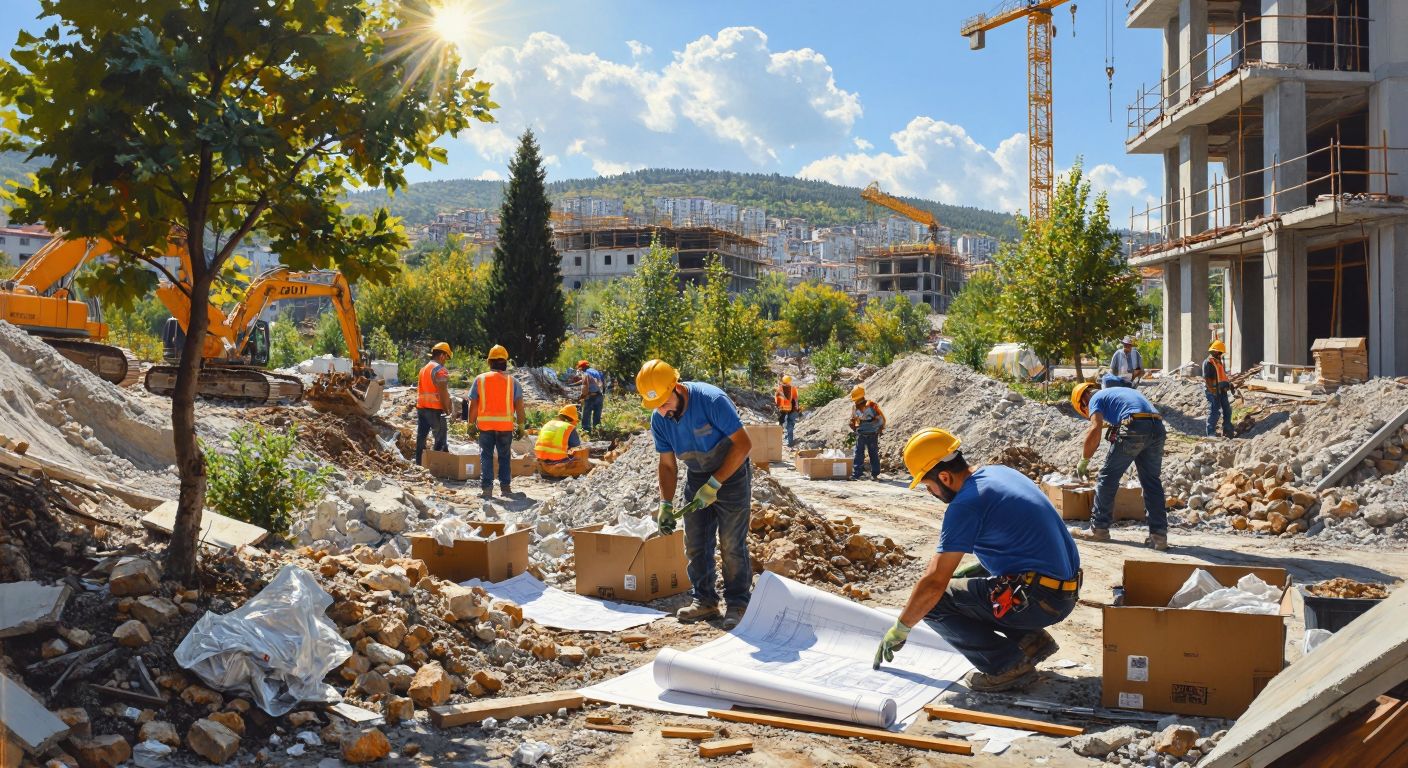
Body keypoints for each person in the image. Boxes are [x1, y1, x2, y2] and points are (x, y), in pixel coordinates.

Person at [873, 428, 1081, 692]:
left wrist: (901, 627)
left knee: (936, 602)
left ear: (945, 477)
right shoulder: (1000, 473)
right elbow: (1022, 540)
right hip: (1063, 591)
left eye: (929, 486)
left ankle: (1005, 666)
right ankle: (1031, 641)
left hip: (1040, 600)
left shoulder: (966, 504)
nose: (931, 493)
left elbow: (934, 582)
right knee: (970, 583)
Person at [638, 359, 754, 630]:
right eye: (656, 405)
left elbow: (744, 444)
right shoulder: (660, 420)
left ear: (677, 388)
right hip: (697, 474)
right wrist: (665, 503)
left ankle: (738, 601)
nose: (662, 410)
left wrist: (715, 483)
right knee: (696, 543)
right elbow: (668, 465)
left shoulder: (711, 400)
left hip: (732, 472)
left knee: (731, 543)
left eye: (665, 402)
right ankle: (705, 600)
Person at [1069, 382, 1169, 550]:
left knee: (1107, 478)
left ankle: (1099, 529)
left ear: (1083, 400)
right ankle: (1159, 537)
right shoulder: (1117, 393)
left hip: (1135, 426)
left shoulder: (1095, 399)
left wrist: (1084, 460)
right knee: (1151, 481)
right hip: (1157, 427)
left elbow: (1095, 428)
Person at [467, 344, 527, 499]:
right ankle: (505, 488)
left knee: (486, 456)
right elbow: (519, 406)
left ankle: (487, 489)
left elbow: (473, 405)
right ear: (505, 363)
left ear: (489, 362)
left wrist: (471, 424)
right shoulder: (513, 382)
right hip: (505, 427)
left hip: (486, 426)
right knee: (504, 457)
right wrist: (521, 426)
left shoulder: (480, 380)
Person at [414, 342, 453, 466]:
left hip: (422, 408)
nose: (446, 360)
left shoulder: (423, 369)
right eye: (446, 357)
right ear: (442, 355)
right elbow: (443, 392)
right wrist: (447, 408)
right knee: (440, 440)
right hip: (435, 410)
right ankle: (438, 466)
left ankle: (419, 464)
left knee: (421, 438)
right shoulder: (440, 370)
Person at [849, 386, 886, 481]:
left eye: (856, 399)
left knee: (872, 454)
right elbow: (853, 420)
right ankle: (857, 474)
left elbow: (880, 419)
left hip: (872, 434)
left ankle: (874, 474)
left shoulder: (871, 405)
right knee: (858, 454)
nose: (855, 401)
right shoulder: (855, 407)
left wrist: (878, 428)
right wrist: (853, 426)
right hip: (861, 434)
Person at [534, 403, 585, 471]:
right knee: (580, 457)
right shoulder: (568, 427)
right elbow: (576, 447)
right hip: (557, 461)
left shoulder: (548, 424)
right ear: (571, 419)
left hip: (540, 459)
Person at [1203, 340, 1235, 438]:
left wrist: (1229, 385)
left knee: (1227, 410)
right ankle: (1211, 433)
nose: (1221, 354)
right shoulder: (1208, 362)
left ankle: (1227, 430)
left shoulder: (1218, 362)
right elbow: (1207, 379)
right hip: (1213, 391)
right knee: (1214, 412)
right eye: (1220, 352)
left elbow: (1222, 376)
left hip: (1221, 391)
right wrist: (1212, 391)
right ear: (1216, 351)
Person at [577, 360, 605, 433]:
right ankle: (597, 431)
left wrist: (581, 397)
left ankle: (586, 432)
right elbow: (603, 383)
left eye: (580, 369)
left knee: (586, 415)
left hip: (591, 397)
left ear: (582, 368)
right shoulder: (597, 372)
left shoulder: (586, 374)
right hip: (599, 396)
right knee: (597, 416)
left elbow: (585, 387)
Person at [774, 374, 801, 448]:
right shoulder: (793, 388)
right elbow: (796, 399)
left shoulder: (779, 389)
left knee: (785, 425)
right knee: (790, 425)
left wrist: (778, 408)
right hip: (792, 410)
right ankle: (790, 441)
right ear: (790, 381)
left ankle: (786, 440)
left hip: (783, 410)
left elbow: (776, 400)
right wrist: (797, 408)